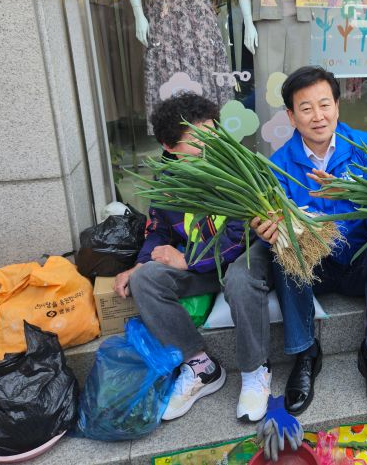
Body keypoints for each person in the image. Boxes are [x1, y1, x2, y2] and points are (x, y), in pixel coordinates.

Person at [113, 93, 273, 424]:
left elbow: (241, 234)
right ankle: (201, 366)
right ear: (169, 147)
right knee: (145, 280)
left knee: (240, 279)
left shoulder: (238, 167)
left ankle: (255, 369)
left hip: (242, 257)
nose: (210, 145)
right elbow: (157, 230)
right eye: (196, 140)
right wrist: (141, 263)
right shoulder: (166, 182)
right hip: (202, 266)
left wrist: (187, 260)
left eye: (213, 133)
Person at [253, 66, 367, 415]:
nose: (317, 116)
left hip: (357, 263)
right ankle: (306, 353)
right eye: (306, 108)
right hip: (313, 273)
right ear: (292, 116)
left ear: (337, 106)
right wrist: (265, 231)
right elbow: (268, 225)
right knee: (282, 253)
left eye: (324, 105)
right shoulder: (278, 165)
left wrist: (354, 194)